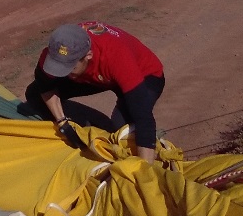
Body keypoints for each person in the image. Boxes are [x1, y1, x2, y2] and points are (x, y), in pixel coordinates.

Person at [25, 21, 165, 161]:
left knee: (122, 130)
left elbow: (144, 119)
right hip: (96, 76)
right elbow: (44, 86)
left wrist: (145, 170)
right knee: (34, 95)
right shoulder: (54, 54)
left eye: (69, 67)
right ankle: (93, 129)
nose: (64, 73)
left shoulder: (116, 57)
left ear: (88, 55)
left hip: (145, 75)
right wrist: (62, 122)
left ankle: (114, 135)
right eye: (59, 67)